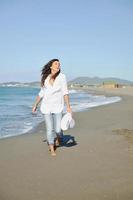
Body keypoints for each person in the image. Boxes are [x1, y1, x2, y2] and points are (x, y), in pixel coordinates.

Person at [32, 59, 72, 156]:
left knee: (58, 130)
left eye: (59, 64)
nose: (58, 65)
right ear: (51, 66)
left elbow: (65, 92)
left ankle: (59, 137)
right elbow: (41, 93)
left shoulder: (62, 77)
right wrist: (35, 104)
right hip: (46, 107)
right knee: (49, 129)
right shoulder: (45, 78)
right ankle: (52, 148)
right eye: (56, 64)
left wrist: (68, 107)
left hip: (58, 107)